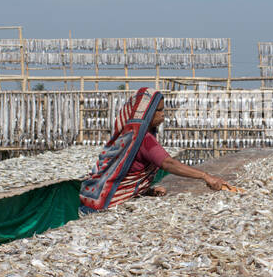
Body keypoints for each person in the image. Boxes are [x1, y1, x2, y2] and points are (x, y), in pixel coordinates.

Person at [80, 87, 232, 213]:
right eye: (158, 110)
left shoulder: (129, 136)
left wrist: (145, 191)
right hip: (105, 208)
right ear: (146, 113)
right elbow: (168, 163)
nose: (162, 114)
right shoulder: (143, 140)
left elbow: (126, 174)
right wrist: (205, 176)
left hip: (96, 203)